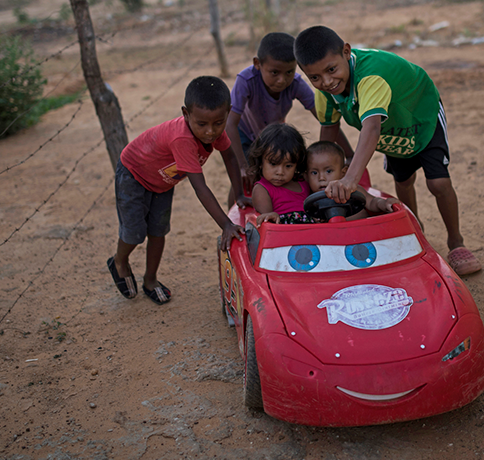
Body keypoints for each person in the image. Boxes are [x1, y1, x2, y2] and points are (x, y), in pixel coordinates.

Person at [294, 25, 481, 275]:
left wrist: (350, 180)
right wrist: (321, 172)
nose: (326, 82)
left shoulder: (371, 76)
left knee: (438, 183)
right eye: (314, 78)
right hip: (390, 130)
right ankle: (416, 231)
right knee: (403, 181)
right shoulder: (325, 93)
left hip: (420, 117)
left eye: (331, 70)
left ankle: (456, 242)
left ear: (346, 52)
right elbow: (328, 135)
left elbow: (370, 129)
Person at [108, 76, 246, 305]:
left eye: (218, 123)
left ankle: (150, 280)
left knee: (158, 232)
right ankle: (120, 261)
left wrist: (239, 194)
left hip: (162, 182)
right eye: (202, 124)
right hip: (134, 174)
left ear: (227, 113)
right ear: (186, 113)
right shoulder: (183, 139)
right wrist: (226, 224)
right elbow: (200, 188)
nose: (210, 132)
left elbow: (230, 157)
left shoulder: (215, 129)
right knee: (134, 233)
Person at [225, 32, 352, 203]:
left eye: (289, 72)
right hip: (243, 134)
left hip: (272, 137)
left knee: (284, 175)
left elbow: (325, 119)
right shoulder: (246, 80)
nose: (282, 80)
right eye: (274, 72)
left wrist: (349, 154)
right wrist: (242, 165)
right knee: (247, 177)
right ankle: (235, 214)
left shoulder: (296, 83)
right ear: (257, 64)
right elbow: (230, 123)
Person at [306, 141, 398, 219]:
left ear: (343, 172)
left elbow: (372, 202)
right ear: (306, 175)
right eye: (314, 173)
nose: (321, 178)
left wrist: (384, 203)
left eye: (329, 171)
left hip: (363, 235)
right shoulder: (309, 201)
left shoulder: (353, 191)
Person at [248, 123, 315, 226]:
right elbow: (266, 224)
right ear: (261, 162)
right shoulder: (262, 190)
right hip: (282, 238)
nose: (280, 172)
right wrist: (271, 216)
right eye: (273, 164)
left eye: (288, 166)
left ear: (297, 164)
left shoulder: (303, 182)